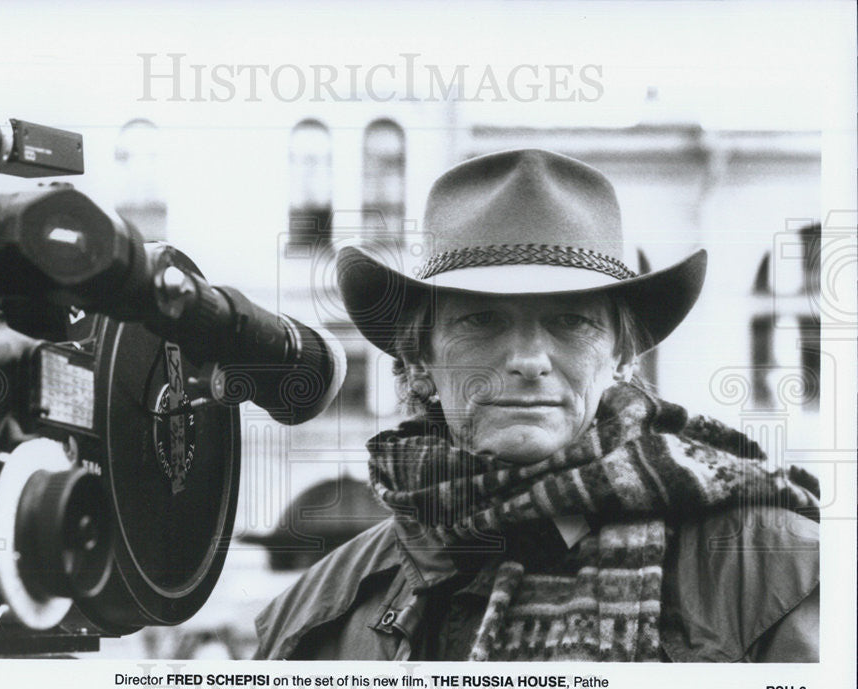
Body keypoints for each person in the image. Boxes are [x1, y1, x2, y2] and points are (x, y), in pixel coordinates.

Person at [254, 149, 819, 662]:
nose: (528, 358)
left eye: (571, 320)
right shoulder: (308, 623)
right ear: (420, 357)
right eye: (481, 319)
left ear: (621, 355)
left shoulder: (782, 575)